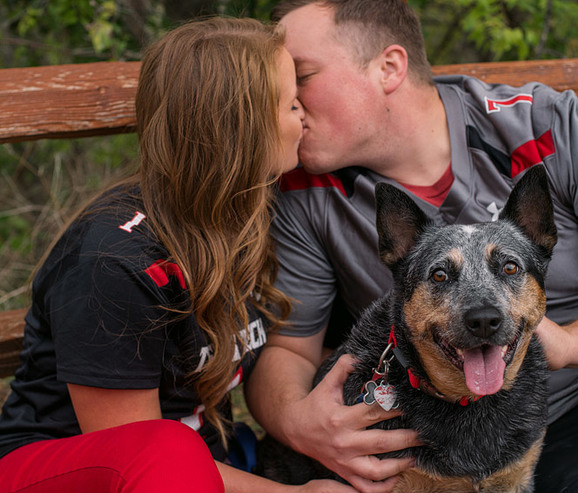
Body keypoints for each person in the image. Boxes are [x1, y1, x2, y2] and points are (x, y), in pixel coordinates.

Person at [245, 1, 578, 492]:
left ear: (388, 67)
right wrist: (297, 423)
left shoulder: (542, 124)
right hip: (550, 425)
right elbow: (288, 350)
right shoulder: (304, 193)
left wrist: (573, 344)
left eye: (301, 77)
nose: (284, 104)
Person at [0, 16, 356, 493]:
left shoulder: (249, 219)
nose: (303, 116)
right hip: (62, 472)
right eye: (291, 103)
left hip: (207, 467)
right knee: (167, 449)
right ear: (241, 128)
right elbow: (136, 459)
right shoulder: (114, 261)